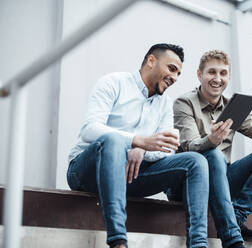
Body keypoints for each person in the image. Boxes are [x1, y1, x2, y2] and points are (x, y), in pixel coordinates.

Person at [67, 43, 210, 248]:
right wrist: (135, 140)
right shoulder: (113, 83)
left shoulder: (165, 103)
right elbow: (90, 129)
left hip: (131, 176)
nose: (175, 78)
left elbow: (167, 148)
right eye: (171, 69)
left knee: (196, 161)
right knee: (114, 141)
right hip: (86, 172)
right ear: (151, 61)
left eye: (178, 73)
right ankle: (118, 242)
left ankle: (198, 244)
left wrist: (142, 149)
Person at [172, 50, 252, 244]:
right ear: (200, 75)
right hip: (188, 183)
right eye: (212, 72)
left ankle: (237, 216)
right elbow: (190, 146)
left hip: (222, 181)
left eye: (223, 73)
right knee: (214, 155)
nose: (217, 79)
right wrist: (212, 140)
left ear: (229, 77)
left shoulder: (233, 106)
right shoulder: (184, 103)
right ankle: (231, 235)